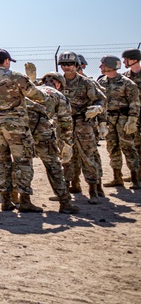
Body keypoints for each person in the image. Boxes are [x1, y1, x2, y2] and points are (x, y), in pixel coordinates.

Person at [0, 49, 46, 212]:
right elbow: (37, 95)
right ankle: (25, 200)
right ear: (6, 61)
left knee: (1, 162)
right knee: (23, 161)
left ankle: (5, 200)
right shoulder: (16, 77)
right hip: (16, 126)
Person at [57, 50, 107, 202]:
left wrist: (99, 111)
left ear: (76, 65)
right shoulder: (57, 81)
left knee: (88, 155)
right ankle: (69, 187)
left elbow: (101, 99)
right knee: (66, 156)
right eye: (64, 64)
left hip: (83, 123)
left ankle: (93, 190)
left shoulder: (86, 82)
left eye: (70, 64)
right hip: (64, 124)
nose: (67, 67)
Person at [29, 72, 80, 213]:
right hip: (43, 133)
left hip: (22, 132)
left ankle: (21, 199)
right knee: (54, 167)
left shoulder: (31, 91)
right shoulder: (59, 95)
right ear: (58, 84)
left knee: (21, 165)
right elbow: (66, 123)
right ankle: (65, 202)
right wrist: (67, 144)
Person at [97, 55, 140, 189]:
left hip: (123, 119)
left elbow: (135, 102)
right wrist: (101, 121)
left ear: (110, 66)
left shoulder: (127, 83)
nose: (100, 67)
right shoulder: (101, 83)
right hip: (109, 119)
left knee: (128, 148)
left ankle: (135, 178)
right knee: (112, 148)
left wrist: (132, 120)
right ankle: (117, 178)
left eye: (102, 64)